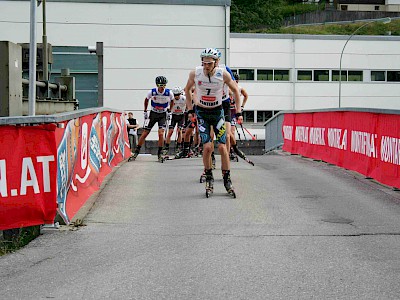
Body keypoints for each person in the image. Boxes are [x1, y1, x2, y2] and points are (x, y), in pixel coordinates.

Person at [184, 48, 243, 197]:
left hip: (218, 113)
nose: (206, 66)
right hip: (203, 113)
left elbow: (236, 90)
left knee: (223, 147)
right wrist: (191, 110)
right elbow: (187, 90)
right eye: (204, 63)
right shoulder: (195, 73)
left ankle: (226, 179)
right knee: (208, 147)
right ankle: (209, 176)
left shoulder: (222, 74)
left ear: (216, 63)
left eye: (209, 63)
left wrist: (239, 111)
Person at [129, 76, 174, 162]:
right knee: (145, 132)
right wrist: (145, 111)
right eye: (160, 85)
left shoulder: (169, 93)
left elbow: (172, 101)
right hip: (153, 114)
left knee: (161, 133)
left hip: (162, 114)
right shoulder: (152, 92)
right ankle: (136, 151)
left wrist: (169, 111)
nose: (162, 87)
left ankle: (160, 153)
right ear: (157, 85)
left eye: (164, 85)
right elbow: (146, 100)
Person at [229, 73, 254, 165]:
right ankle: (229, 149)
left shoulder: (239, 88)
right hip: (227, 111)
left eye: (237, 81)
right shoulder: (226, 87)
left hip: (234, 112)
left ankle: (232, 150)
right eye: (234, 80)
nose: (235, 82)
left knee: (231, 132)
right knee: (228, 133)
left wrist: (242, 106)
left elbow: (246, 95)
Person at [163, 86, 186, 156]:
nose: (176, 97)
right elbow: (166, 106)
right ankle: (166, 147)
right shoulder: (171, 99)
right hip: (173, 115)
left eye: (178, 95)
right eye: (175, 95)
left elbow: (188, 105)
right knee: (170, 132)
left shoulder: (183, 98)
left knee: (179, 131)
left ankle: (178, 147)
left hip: (181, 116)